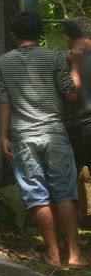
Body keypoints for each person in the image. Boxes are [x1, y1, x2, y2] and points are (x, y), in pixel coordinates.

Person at [0, 11, 88, 268]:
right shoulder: (55, 56)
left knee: (38, 196)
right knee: (64, 194)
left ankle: (54, 255)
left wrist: (3, 136)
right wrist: (76, 67)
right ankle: (75, 255)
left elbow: (4, 103)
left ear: (13, 35)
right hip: (54, 133)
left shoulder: (1, 63)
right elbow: (71, 94)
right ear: (40, 34)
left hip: (23, 137)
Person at [64, 16, 91, 218]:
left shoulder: (63, 61)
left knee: (65, 187)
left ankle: (66, 237)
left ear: (68, 39)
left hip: (73, 130)